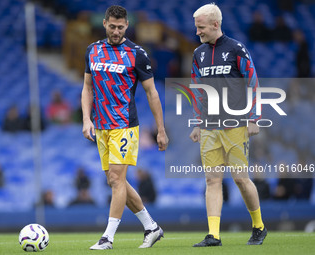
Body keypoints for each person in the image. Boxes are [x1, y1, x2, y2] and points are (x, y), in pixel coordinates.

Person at [81, 5, 168, 250]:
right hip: (101, 125)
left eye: (121, 27)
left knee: (118, 178)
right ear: (105, 23)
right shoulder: (93, 50)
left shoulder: (137, 54)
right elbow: (87, 88)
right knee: (114, 179)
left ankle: (107, 237)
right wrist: (86, 119)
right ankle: (151, 227)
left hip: (124, 125)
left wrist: (160, 130)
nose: (116, 31)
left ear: (127, 26)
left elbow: (152, 93)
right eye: (112, 26)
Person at [189, 3, 267, 247]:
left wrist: (254, 118)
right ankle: (214, 235)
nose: (197, 32)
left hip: (235, 124)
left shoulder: (236, 48)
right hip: (210, 125)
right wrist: (196, 123)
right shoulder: (197, 54)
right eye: (196, 28)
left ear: (215, 24)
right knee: (212, 179)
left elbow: (253, 82)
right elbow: (197, 91)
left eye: (201, 28)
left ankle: (259, 226)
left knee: (241, 178)